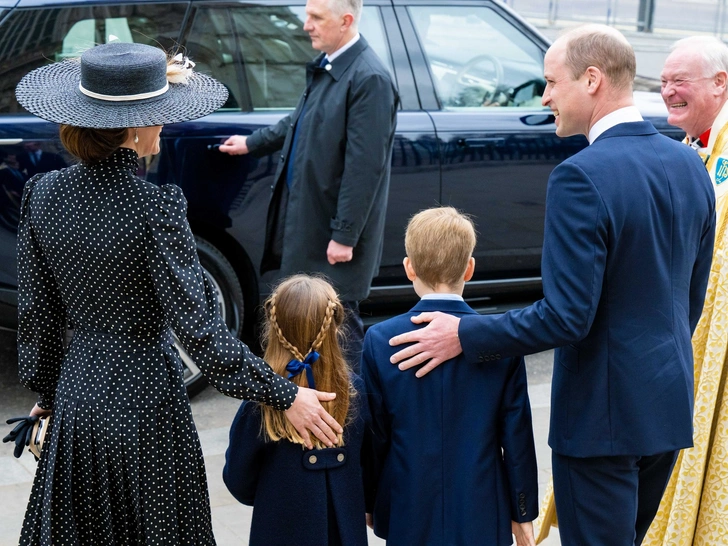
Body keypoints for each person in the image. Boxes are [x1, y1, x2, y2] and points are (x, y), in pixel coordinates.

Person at [387, 25, 717, 546]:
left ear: (591, 80)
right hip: (665, 405)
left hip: (600, 420)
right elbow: (688, 297)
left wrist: (464, 335)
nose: (544, 97)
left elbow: (566, 316)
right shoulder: (687, 162)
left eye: (550, 83)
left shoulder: (580, 176)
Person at [11, 41, 342, 545]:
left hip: (78, 401)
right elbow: (204, 338)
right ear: (136, 127)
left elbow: (37, 317)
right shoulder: (157, 208)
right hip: (146, 410)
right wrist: (284, 394)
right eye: (157, 114)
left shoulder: (43, 192)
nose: (163, 125)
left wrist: (48, 394)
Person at [219, 0, 399, 371]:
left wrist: (345, 236)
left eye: (316, 17)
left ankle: (353, 419)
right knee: (312, 327)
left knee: (338, 330)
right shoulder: (331, 67)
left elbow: (364, 169)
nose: (306, 26)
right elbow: (298, 122)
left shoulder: (369, 79)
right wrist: (252, 143)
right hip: (310, 223)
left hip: (331, 237)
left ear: (346, 21)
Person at [361, 207, 538, 546]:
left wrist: (370, 500)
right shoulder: (499, 339)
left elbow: (374, 436)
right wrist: (523, 509)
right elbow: (517, 438)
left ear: (408, 267)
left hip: (407, 503)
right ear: (469, 269)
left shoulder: (381, 340)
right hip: (483, 505)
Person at [643, 36, 728, 546]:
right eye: (664, 82)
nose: (668, 92)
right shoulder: (693, 145)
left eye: (681, 82)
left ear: (721, 84)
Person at [223, 274, 369, 546]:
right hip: (345, 532)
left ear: (273, 327)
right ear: (335, 327)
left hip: (277, 531)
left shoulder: (260, 401)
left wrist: (273, 496)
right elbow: (372, 466)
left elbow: (238, 480)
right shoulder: (355, 393)